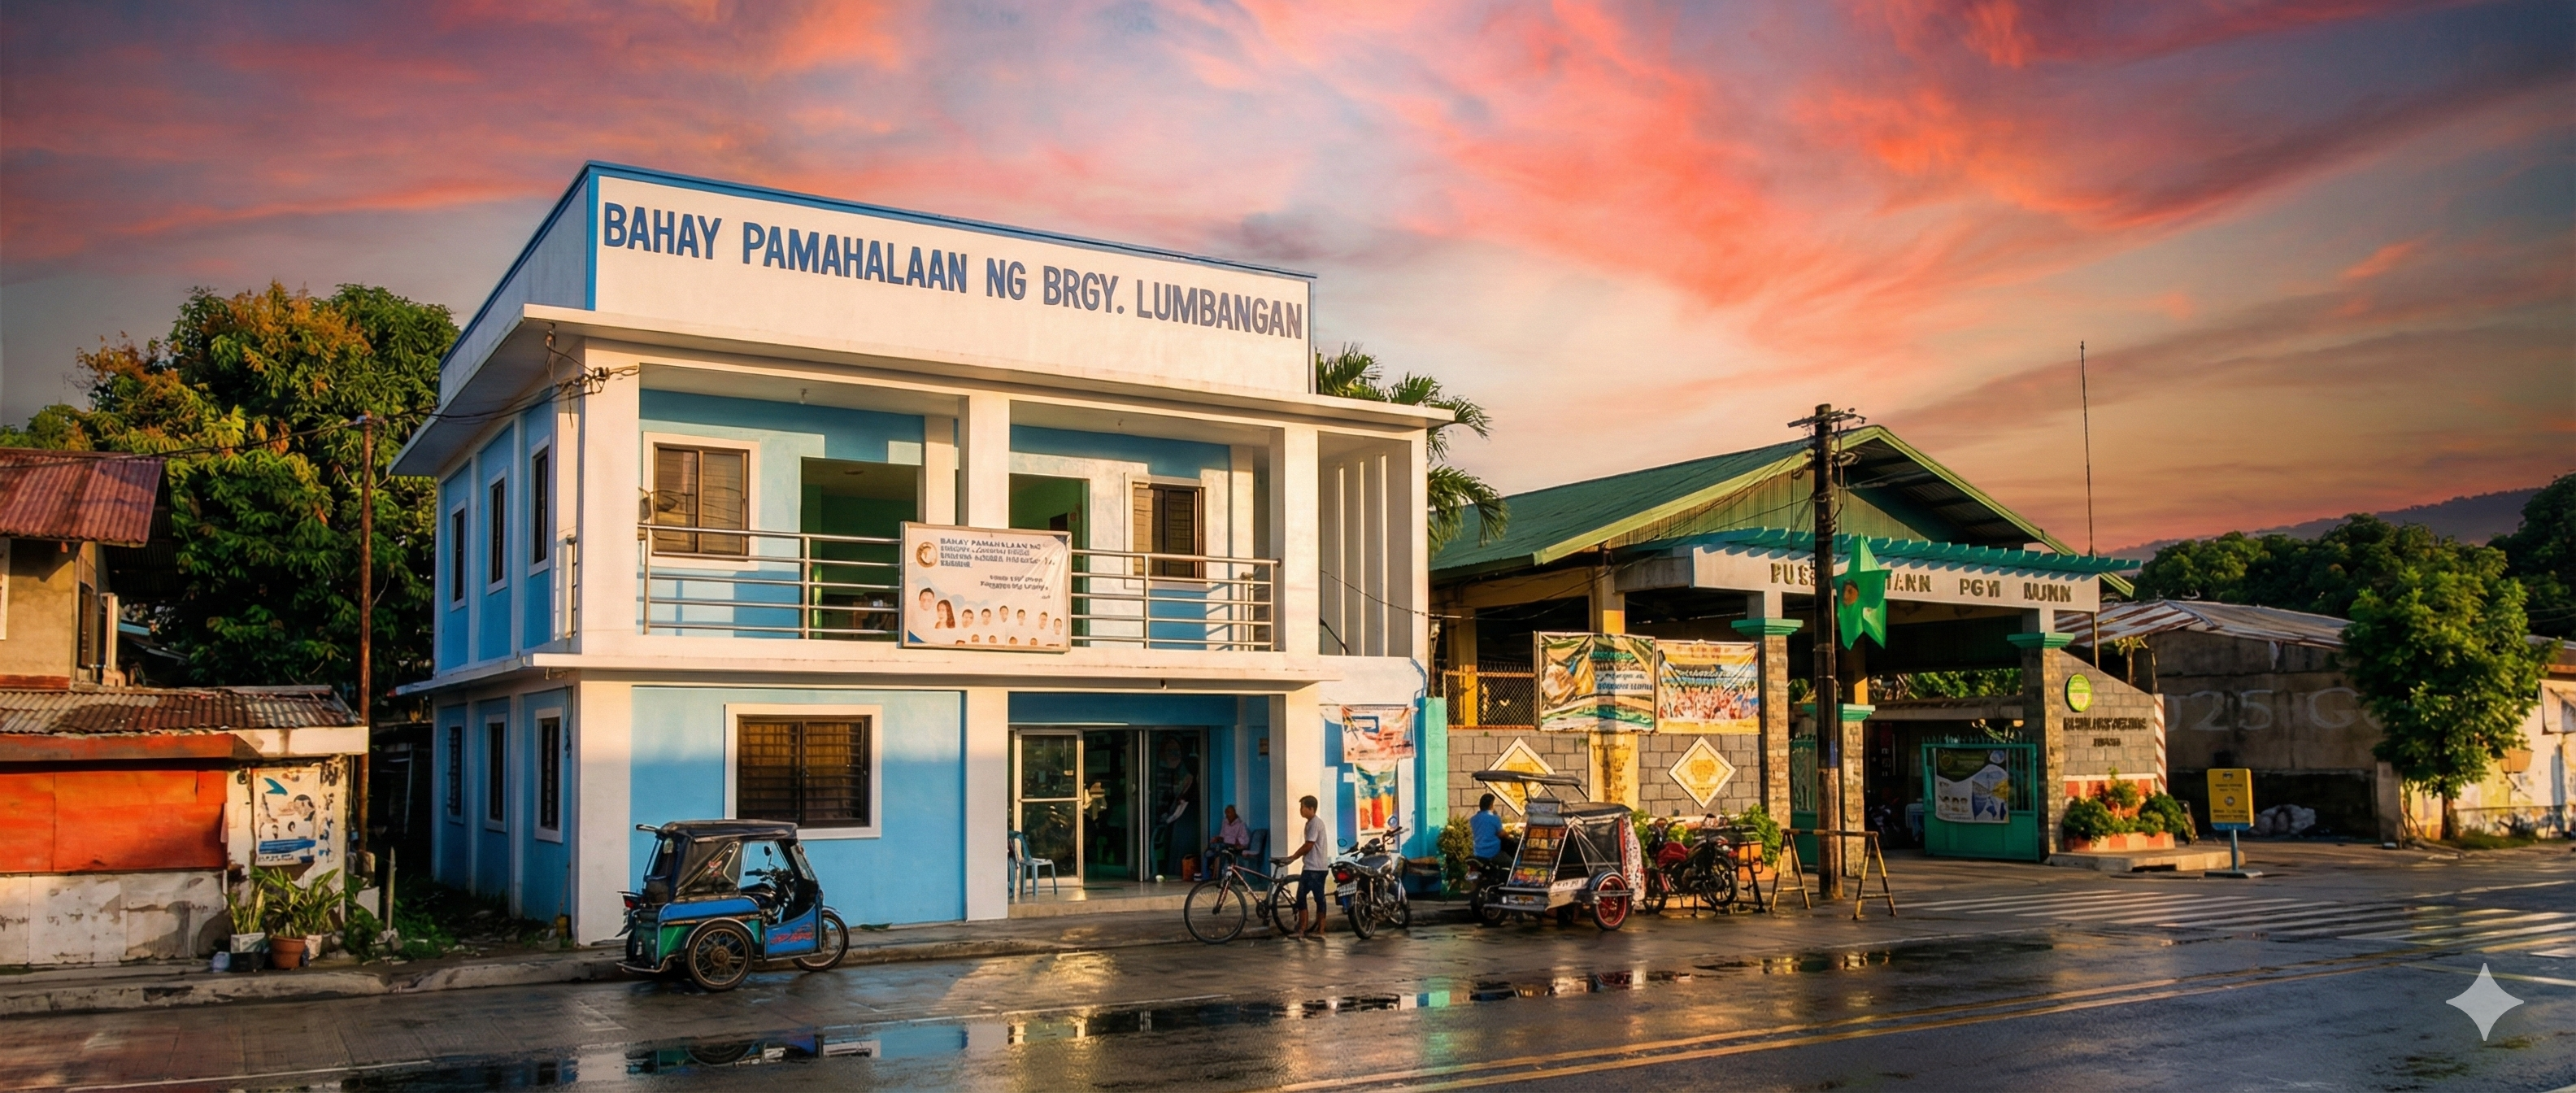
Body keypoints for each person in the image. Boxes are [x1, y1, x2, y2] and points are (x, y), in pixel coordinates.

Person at [1281, 795, 1329, 939]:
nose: (1301, 810)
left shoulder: (1315, 823)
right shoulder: (1310, 823)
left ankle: (1304, 929)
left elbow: (1309, 845)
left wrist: (1293, 857)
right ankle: (1318, 930)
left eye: (1302, 807)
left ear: (1311, 808)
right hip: (1315, 866)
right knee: (1318, 898)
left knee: (1303, 897)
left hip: (1314, 868)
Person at [1209, 804, 1251, 870]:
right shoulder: (1225, 822)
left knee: (1222, 851)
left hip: (1236, 848)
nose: (1227, 815)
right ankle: (1211, 872)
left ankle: (1220, 872)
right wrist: (1217, 838)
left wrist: (1231, 840)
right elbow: (1222, 835)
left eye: (1229, 813)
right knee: (1211, 849)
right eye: (1226, 813)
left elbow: (1246, 841)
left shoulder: (1241, 824)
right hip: (1225, 845)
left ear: (1234, 813)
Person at [1471, 793, 1503, 861]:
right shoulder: (1494, 818)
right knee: (1510, 863)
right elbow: (1501, 834)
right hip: (1493, 852)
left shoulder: (1473, 819)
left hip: (1478, 852)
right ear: (1491, 805)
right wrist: (1509, 836)